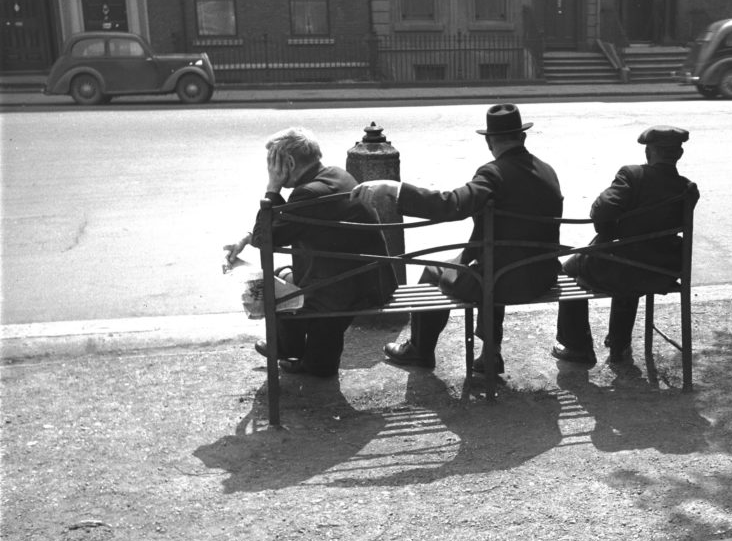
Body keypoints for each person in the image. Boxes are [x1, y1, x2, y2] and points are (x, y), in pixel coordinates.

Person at [352, 104, 563, 374]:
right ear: (523, 137)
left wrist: (396, 190)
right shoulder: (547, 170)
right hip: (541, 276)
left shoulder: (493, 173)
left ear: (489, 142)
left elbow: (452, 205)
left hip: (502, 280)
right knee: (493, 260)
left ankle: (420, 350)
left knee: (434, 270)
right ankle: (490, 353)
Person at [223, 127, 397, 377]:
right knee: (295, 276)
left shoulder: (309, 193)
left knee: (276, 282)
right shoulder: (335, 175)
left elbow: (267, 239)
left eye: (272, 163)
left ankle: (286, 346)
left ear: (289, 162)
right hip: (370, 281)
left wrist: (273, 188)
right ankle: (316, 361)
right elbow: (284, 227)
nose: (271, 170)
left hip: (348, 290)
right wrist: (248, 237)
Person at [551, 126, 699, 367]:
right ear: (678, 155)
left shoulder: (632, 175)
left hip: (624, 268)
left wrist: (608, 232)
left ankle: (577, 346)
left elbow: (602, 212)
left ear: (649, 152)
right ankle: (620, 344)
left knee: (568, 271)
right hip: (663, 271)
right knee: (631, 260)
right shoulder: (688, 189)